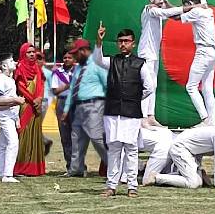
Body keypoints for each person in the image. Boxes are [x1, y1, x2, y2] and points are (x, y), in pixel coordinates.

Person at [93, 24, 153, 197]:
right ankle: (111, 186)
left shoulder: (140, 64)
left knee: (132, 149)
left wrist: (134, 99)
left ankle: (132, 186)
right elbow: (97, 60)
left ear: (133, 43)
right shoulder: (112, 61)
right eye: (120, 41)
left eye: (126, 41)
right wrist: (99, 41)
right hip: (112, 112)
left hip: (131, 112)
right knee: (114, 149)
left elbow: (149, 87)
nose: (123, 44)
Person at [138, 0, 186, 127]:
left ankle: (151, 116)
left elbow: (175, 16)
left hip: (154, 53)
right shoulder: (149, 9)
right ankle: (142, 118)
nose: (162, 1)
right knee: (147, 85)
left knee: (154, 84)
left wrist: (169, 4)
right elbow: (167, 13)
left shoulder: (158, 10)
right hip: (146, 52)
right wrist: (187, 8)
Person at [61, 38, 108, 177]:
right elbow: (72, 89)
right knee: (76, 137)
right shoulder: (78, 69)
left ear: (84, 51)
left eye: (76, 53)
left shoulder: (97, 65)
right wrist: (66, 110)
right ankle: (76, 169)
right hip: (78, 107)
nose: (75, 56)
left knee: (96, 138)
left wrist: (106, 104)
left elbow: (107, 84)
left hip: (94, 105)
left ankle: (113, 166)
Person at [153, 125, 215, 189]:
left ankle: (199, 172)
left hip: (190, 153)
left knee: (199, 182)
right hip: (180, 149)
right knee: (193, 183)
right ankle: (156, 177)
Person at [179, 0, 215, 126]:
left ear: (190, 3)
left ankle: (205, 119)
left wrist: (164, 8)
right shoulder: (209, 11)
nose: (185, 8)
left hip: (204, 52)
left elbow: (176, 16)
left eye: (185, 5)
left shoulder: (196, 12)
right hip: (213, 52)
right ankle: (211, 122)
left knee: (191, 87)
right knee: (207, 88)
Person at [13, 44, 46, 177]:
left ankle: (34, 168)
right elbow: (21, 87)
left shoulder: (37, 68)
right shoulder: (20, 68)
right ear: (23, 54)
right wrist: (34, 100)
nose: (32, 55)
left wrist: (40, 98)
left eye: (33, 52)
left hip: (37, 106)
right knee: (24, 134)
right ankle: (21, 167)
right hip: (27, 105)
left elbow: (41, 85)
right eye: (29, 52)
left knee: (35, 135)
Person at [0, 54, 25, 183]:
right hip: (5, 115)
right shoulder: (1, 79)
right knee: (13, 142)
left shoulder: (10, 80)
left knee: (3, 144)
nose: (15, 62)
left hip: (11, 115)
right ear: (4, 65)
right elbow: (0, 100)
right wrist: (15, 99)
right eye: (11, 61)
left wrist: (16, 117)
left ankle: (1, 171)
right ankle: (7, 174)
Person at [50, 52, 75, 173]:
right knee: (65, 136)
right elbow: (55, 91)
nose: (67, 60)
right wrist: (68, 86)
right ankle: (70, 166)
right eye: (64, 57)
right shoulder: (57, 73)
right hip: (62, 102)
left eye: (69, 58)